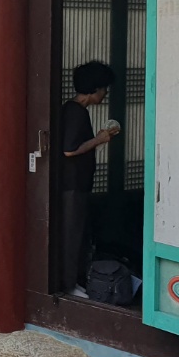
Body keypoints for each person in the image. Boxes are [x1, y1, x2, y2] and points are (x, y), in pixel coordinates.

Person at [60, 60, 119, 294]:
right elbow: (69, 149)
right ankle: (68, 285)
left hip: (75, 183)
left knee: (78, 235)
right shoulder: (75, 112)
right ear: (95, 88)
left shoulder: (73, 110)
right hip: (72, 184)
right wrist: (100, 139)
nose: (105, 94)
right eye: (104, 88)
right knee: (72, 236)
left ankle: (75, 281)